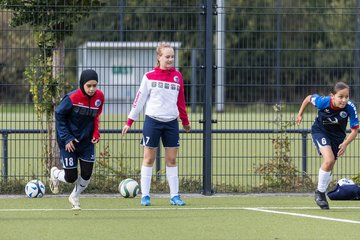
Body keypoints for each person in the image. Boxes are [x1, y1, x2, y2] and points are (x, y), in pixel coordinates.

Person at [121, 42, 191, 206]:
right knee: (149, 158)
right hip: (152, 122)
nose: (170, 59)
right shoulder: (149, 76)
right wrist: (129, 121)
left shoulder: (177, 77)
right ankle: (145, 196)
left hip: (171, 123)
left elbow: (181, 102)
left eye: (172, 56)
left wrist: (185, 122)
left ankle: (175, 196)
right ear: (159, 57)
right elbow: (139, 100)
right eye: (167, 56)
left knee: (172, 159)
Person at [296, 81, 358, 209]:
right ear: (332, 96)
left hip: (337, 137)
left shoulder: (350, 107)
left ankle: (321, 190)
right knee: (329, 159)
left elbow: (354, 130)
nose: (344, 100)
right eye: (340, 97)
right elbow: (308, 98)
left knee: (330, 164)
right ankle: (320, 193)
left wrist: (345, 143)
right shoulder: (323, 102)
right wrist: (300, 114)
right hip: (320, 131)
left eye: (346, 97)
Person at [49, 69, 104, 210]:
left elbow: (96, 116)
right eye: (89, 86)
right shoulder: (72, 98)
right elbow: (59, 116)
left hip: (86, 142)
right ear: (82, 84)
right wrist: (67, 138)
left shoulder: (100, 97)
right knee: (71, 177)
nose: (92, 89)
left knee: (87, 173)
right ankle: (55, 173)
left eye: (94, 85)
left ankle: (74, 196)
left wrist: (96, 133)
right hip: (69, 143)